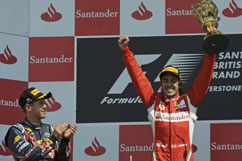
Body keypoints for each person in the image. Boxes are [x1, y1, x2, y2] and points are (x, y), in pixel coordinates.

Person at [118, 35, 216, 161]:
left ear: (179, 84)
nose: (169, 84)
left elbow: (205, 78)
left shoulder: (189, 102)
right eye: (165, 80)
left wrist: (211, 51)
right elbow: (138, 77)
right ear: (161, 84)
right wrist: (125, 51)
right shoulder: (153, 101)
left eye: (173, 81)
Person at [4, 87, 77, 161]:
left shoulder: (50, 129)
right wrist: (53, 138)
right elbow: (28, 156)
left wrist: (65, 140)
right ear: (28, 107)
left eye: (44, 103)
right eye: (41, 103)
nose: (45, 106)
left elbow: (62, 159)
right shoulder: (17, 131)